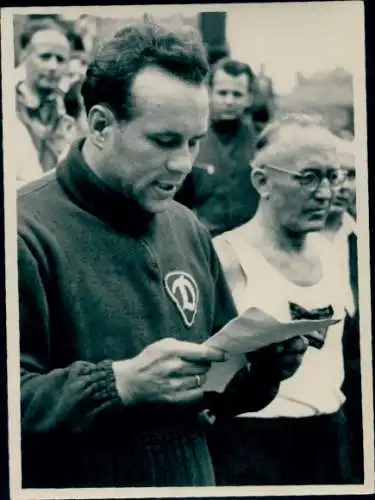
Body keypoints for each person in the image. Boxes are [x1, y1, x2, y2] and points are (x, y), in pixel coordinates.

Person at [17, 21, 306, 488]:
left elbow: (215, 388)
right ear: (100, 125)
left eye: (194, 142)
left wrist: (263, 367)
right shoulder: (23, 233)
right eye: (164, 141)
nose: (183, 163)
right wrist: (118, 385)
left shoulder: (186, 226)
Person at [209, 114, 356, 485]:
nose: (325, 193)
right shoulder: (225, 257)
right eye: (309, 177)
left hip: (330, 441)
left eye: (333, 176)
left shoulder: (332, 252)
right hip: (252, 450)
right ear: (263, 181)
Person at [175, 58, 259, 237]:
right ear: (209, 93)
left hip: (249, 245)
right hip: (203, 244)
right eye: (222, 93)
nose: (229, 101)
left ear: (249, 98)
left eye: (237, 94)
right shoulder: (189, 139)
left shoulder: (262, 144)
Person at [321, 138, 363, 481]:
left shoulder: (359, 240)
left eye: (350, 174)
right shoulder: (296, 247)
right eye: (332, 175)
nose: (341, 186)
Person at [15, 18, 77, 186]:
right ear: (24, 57)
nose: (53, 66)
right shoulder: (9, 105)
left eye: (60, 59)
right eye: (45, 57)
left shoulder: (69, 109)